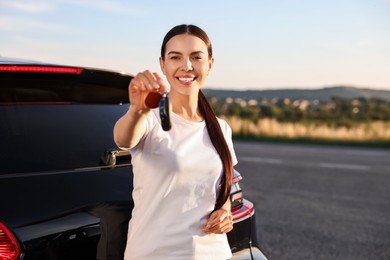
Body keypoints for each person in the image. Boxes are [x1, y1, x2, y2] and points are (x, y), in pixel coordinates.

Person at [113, 24, 238, 260]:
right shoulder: (149, 120)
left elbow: (224, 189)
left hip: (213, 253)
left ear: (210, 64)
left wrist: (224, 211)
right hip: (153, 254)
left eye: (196, 57)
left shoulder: (221, 129)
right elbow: (122, 138)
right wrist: (137, 110)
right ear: (163, 64)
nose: (187, 66)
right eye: (175, 57)